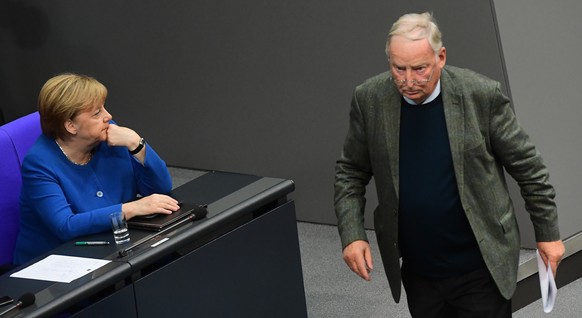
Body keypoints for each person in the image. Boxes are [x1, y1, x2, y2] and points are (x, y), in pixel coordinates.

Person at [334, 12, 565, 317]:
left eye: (419, 69)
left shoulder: (480, 95)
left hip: (481, 269)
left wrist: (547, 232)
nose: (407, 80)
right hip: (420, 272)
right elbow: (350, 172)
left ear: (440, 57)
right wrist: (352, 233)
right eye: (398, 68)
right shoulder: (370, 99)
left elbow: (529, 167)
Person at [14, 73, 180, 265]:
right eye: (97, 113)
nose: (108, 116)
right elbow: (65, 225)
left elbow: (160, 188)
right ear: (70, 125)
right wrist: (133, 208)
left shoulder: (110, 136)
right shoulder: (39, 164)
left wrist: (137, 143)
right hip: (57, 268)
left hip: (113, 247)